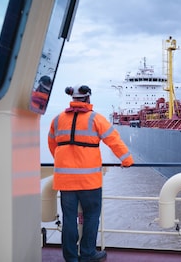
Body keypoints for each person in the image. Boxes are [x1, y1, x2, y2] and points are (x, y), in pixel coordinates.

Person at [48, 84, 134, 262]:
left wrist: (64, 161)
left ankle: (71, 257)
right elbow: (114, 141)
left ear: (73, 99)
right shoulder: (96, 119)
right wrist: (127, 160)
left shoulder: (57, 120)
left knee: (69, 219)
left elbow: (52, 145)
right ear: (88, 98)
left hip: (65, 180)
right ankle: (88, 254)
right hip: (89, 182)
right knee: (92, 216)